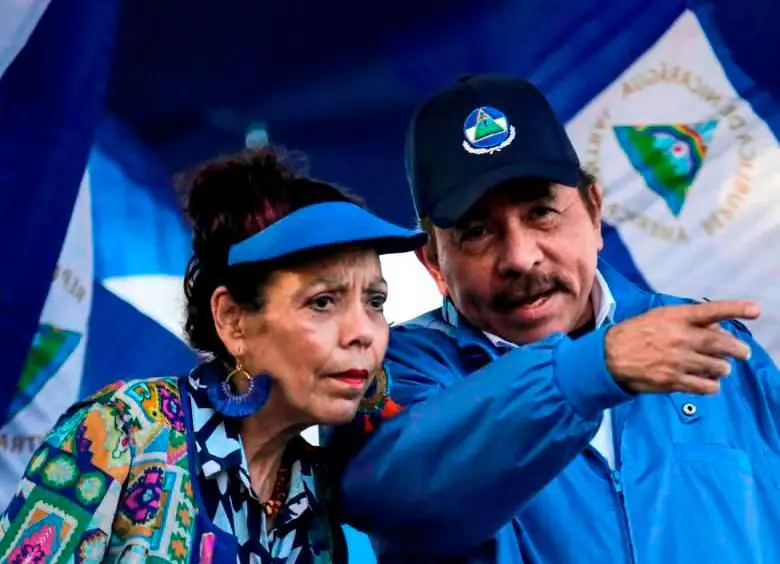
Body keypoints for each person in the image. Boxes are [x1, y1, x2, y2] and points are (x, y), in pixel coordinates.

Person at [325, 75, 780, 563]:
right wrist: (589, 371)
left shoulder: (717, 346)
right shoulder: (391, 371)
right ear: (433, 261)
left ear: (593, 211)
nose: (520, 257)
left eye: (542, 212)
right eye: (477, 231)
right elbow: (390, 498)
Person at [0, 148, 426, 563]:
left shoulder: (318, 497)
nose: (363, 333)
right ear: (232, 320)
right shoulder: (122, 434)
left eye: (375, 301)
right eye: (321, 302)